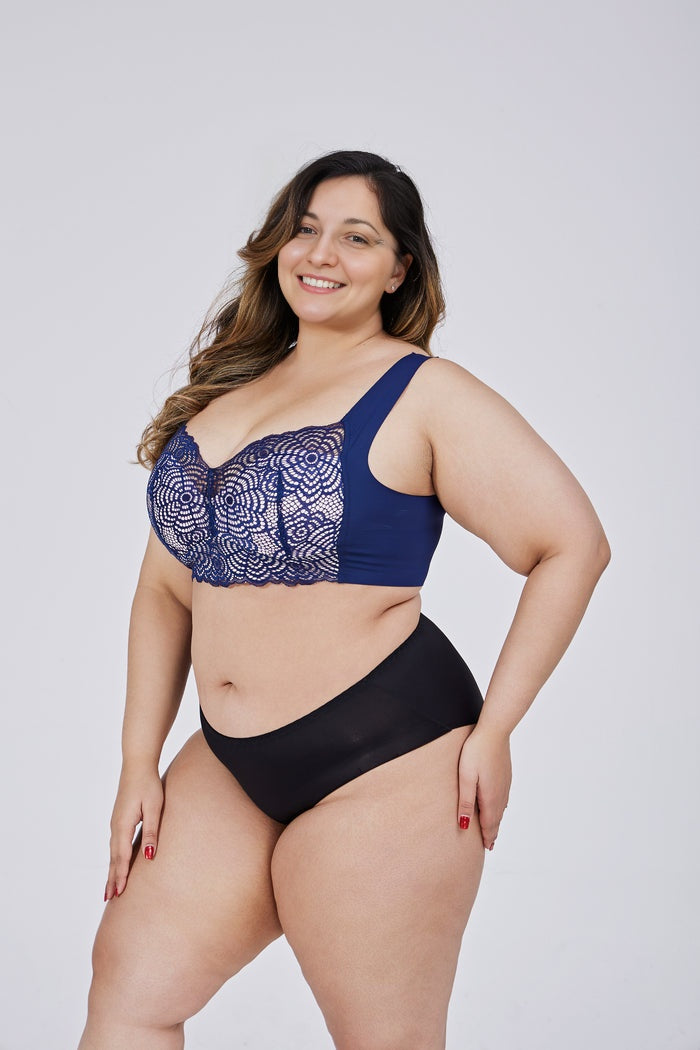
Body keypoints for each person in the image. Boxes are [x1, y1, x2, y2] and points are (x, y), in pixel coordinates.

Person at [78, 149, 610, 1050]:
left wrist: (496, 730)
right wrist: (138, 760)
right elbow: (166, 589)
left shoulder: (424, 391)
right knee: (130, 999)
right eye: (306, 228)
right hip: (227, 762)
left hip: (390, 761)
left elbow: (573, 545)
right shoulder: (226, 395)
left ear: (399, 268)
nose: (321, 253)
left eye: (357, 237)